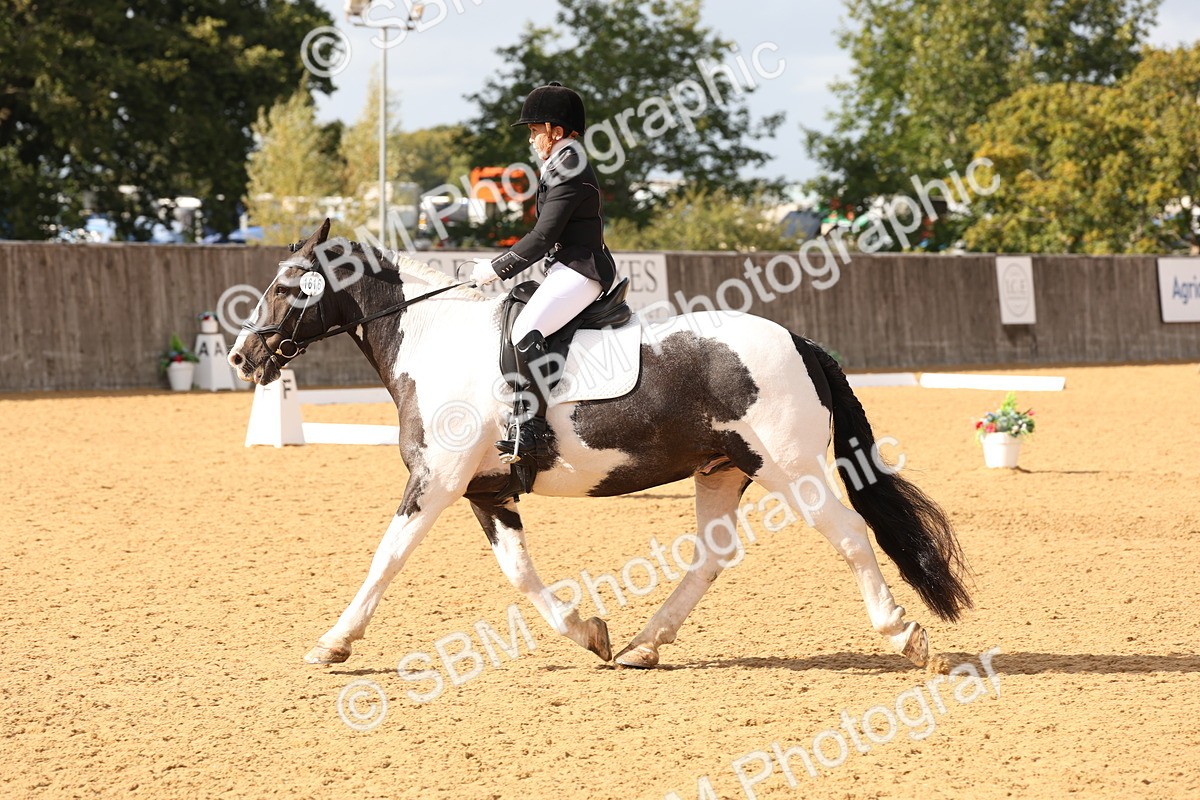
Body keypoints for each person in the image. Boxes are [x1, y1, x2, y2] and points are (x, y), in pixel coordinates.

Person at [469, 82, 617, 471]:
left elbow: (543, 236)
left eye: (535, 130)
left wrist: (495, 269)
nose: (532, 138)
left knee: (525, 330)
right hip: (568, 267)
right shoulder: (561, 163)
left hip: (582, 269)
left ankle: (533, 430)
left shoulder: (569, 166)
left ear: (555, 129)